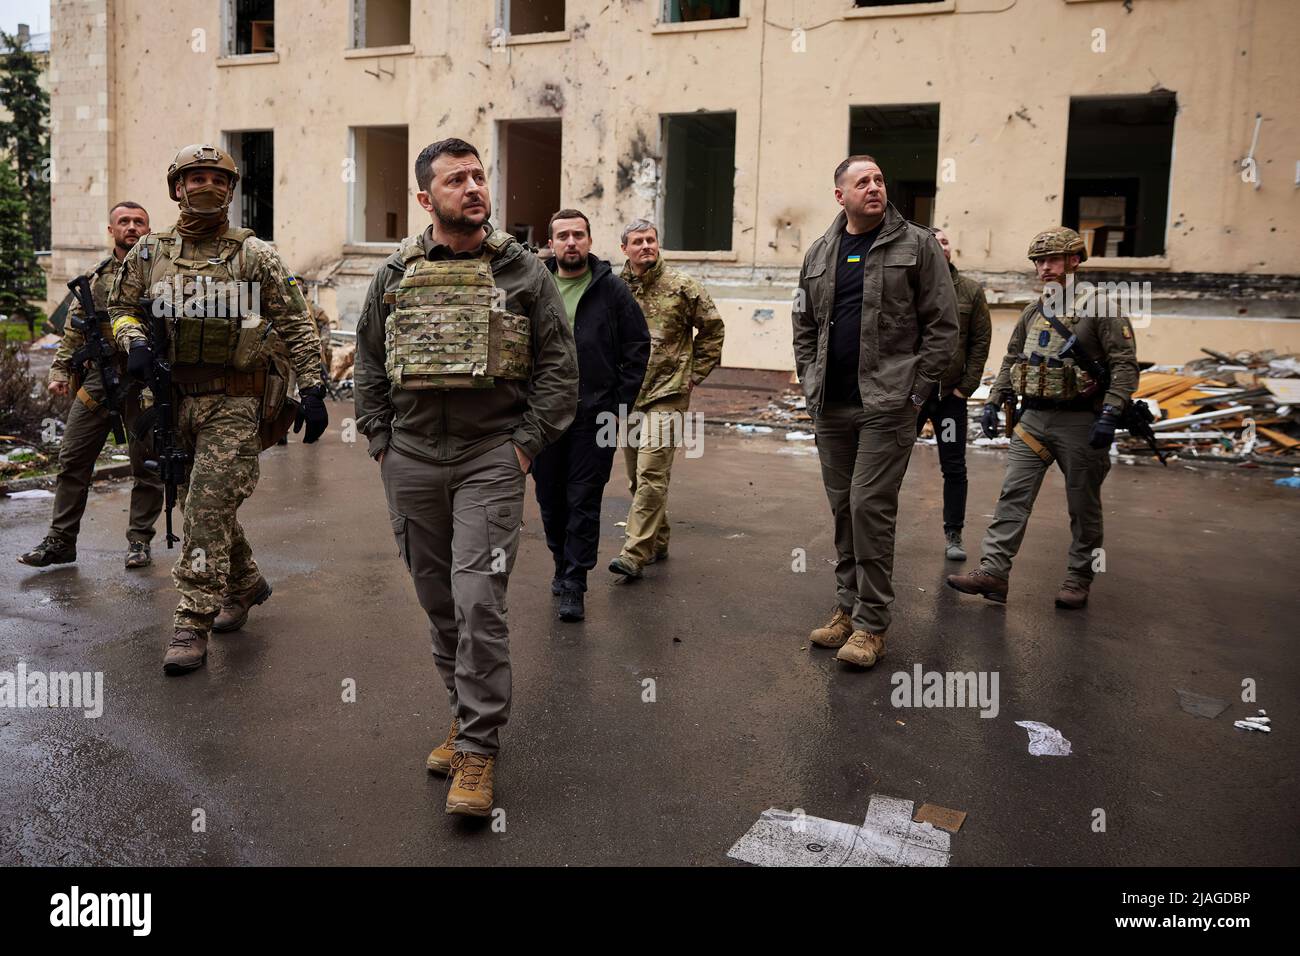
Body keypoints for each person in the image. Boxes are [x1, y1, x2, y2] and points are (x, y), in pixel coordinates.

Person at [353, 138, 577, 817]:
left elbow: (559, 371)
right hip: (413, 460)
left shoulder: (524, 274)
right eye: (456, 180)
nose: (474, 187)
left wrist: (523, 447)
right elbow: (366, 362)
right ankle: (461, 712)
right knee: (439, 603)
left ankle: (478, 749)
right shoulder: (394, 274)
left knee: (479, 600)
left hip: (489, 458)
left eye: (480, 176)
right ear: (427, 199)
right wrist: (381, 443)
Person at [109, 144, 327, 674]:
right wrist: (132, 338)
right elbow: (120, 308)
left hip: (235, 398)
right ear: (177, 188)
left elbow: (296, 322)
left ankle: (192, 619)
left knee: (206, 507)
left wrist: (316, 388)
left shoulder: (256, 256)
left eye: (217, 178)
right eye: (196, 177)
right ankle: (247, 583)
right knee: (198, 500)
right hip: (170, 398)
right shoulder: (149, 253)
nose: (207, 186)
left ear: (231, 189)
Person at [791, 155, 958, 669]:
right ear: (839, 195)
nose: (875, 187)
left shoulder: (917, 245)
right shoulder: (820, 251)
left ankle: (871, 624)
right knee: (843, 510)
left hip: (887, 405)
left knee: (869, 508)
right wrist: (809, 380)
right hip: (832, 406)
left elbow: (943, 325)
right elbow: (803, 322)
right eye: (862, 181)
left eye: (880, 179)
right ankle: (846, 608)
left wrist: (917, 393)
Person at [946, 227, 1138, 609]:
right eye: (1038, 261)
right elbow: (1013, 357)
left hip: (1081, 421)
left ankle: (1078, 578)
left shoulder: (1101, 307)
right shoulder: (1035, 311)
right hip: (1033, 419)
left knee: (1083, 506)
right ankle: (994, 573)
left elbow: (1124, 365)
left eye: (1051, 260)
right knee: (1012, 497)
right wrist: (994, 398)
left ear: (1074, 260)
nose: (1043, 268)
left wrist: (1111, 411)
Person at [19, 201, 163, 571]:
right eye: (124, 221)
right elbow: (72, 331)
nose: (131, 227)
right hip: (101, 378)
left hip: (146, 382)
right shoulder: (94, 279)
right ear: (111, 230)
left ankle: (139, 541)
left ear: (149, 229)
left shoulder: (163, 275)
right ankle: (60, 540)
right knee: (72, 459)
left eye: (139, 222)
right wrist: (59, 372)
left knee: (146, 465)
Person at [535, 208, 649, 621]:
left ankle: (575, 582)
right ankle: (561, 562)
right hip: (544, 416)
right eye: (562, 235)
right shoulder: (536, 285)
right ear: (551, 243)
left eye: (578, 235)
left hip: (596, 415)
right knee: (549, 497)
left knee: (583, 497)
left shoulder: (612, 290)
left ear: (589, 240)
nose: (570, 242)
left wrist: (618, 406)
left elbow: (637, 348)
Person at [608, 218, 724, 579]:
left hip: (668, 393)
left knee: (651, 473)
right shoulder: (612, 289)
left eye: (651, 240)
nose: (646, 246)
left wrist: (693, 375)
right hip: (628, 393)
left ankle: (634, 551)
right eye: (637, 242)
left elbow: (712, 329)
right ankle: (657, 538)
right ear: (624, 249)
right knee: (634, 478)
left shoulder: (682, 287)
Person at [917, 227, 991, 561]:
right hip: (913, 396)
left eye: (944, 241)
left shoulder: (971, 292)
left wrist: (966, 387)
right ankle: (879, 532)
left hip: (950, 398)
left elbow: (980, 342)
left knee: (954, 467)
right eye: (933, 242)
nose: (940, 246)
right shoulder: (910, 289)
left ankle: (954, 534)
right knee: (889, 463)